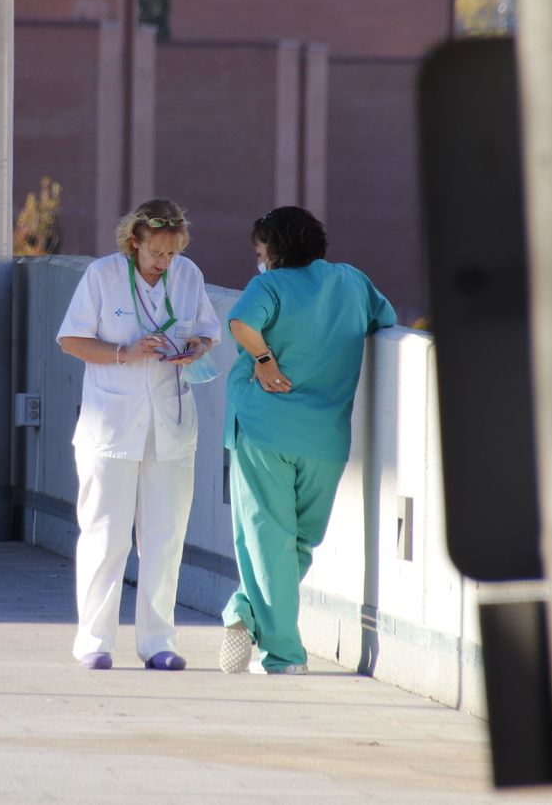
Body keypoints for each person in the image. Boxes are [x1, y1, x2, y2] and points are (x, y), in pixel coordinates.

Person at [218, 206, 396, 675]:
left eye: (261, 251)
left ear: (275, 250)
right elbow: (386, 318)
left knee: (265, 540)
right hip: (325, 439)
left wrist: (264, 359)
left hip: (264, 428)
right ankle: (246, 613)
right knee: (298, 544)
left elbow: (240, 325)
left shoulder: (269, 286)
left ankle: (280, 653)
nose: (259, 261)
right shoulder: (352, 282)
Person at [56, 198, 221, 671]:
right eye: (157, 253)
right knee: (106, 536)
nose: (165, 262)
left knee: (165, 539)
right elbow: (71, 340)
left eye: (172, 253)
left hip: (170, 422)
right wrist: (125, 353)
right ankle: (94, 642)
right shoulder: (102, 276)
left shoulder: (188, 275)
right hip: (111, 424)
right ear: (135, 242)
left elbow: (206, 332)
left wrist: (194, 348)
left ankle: (158, 642)